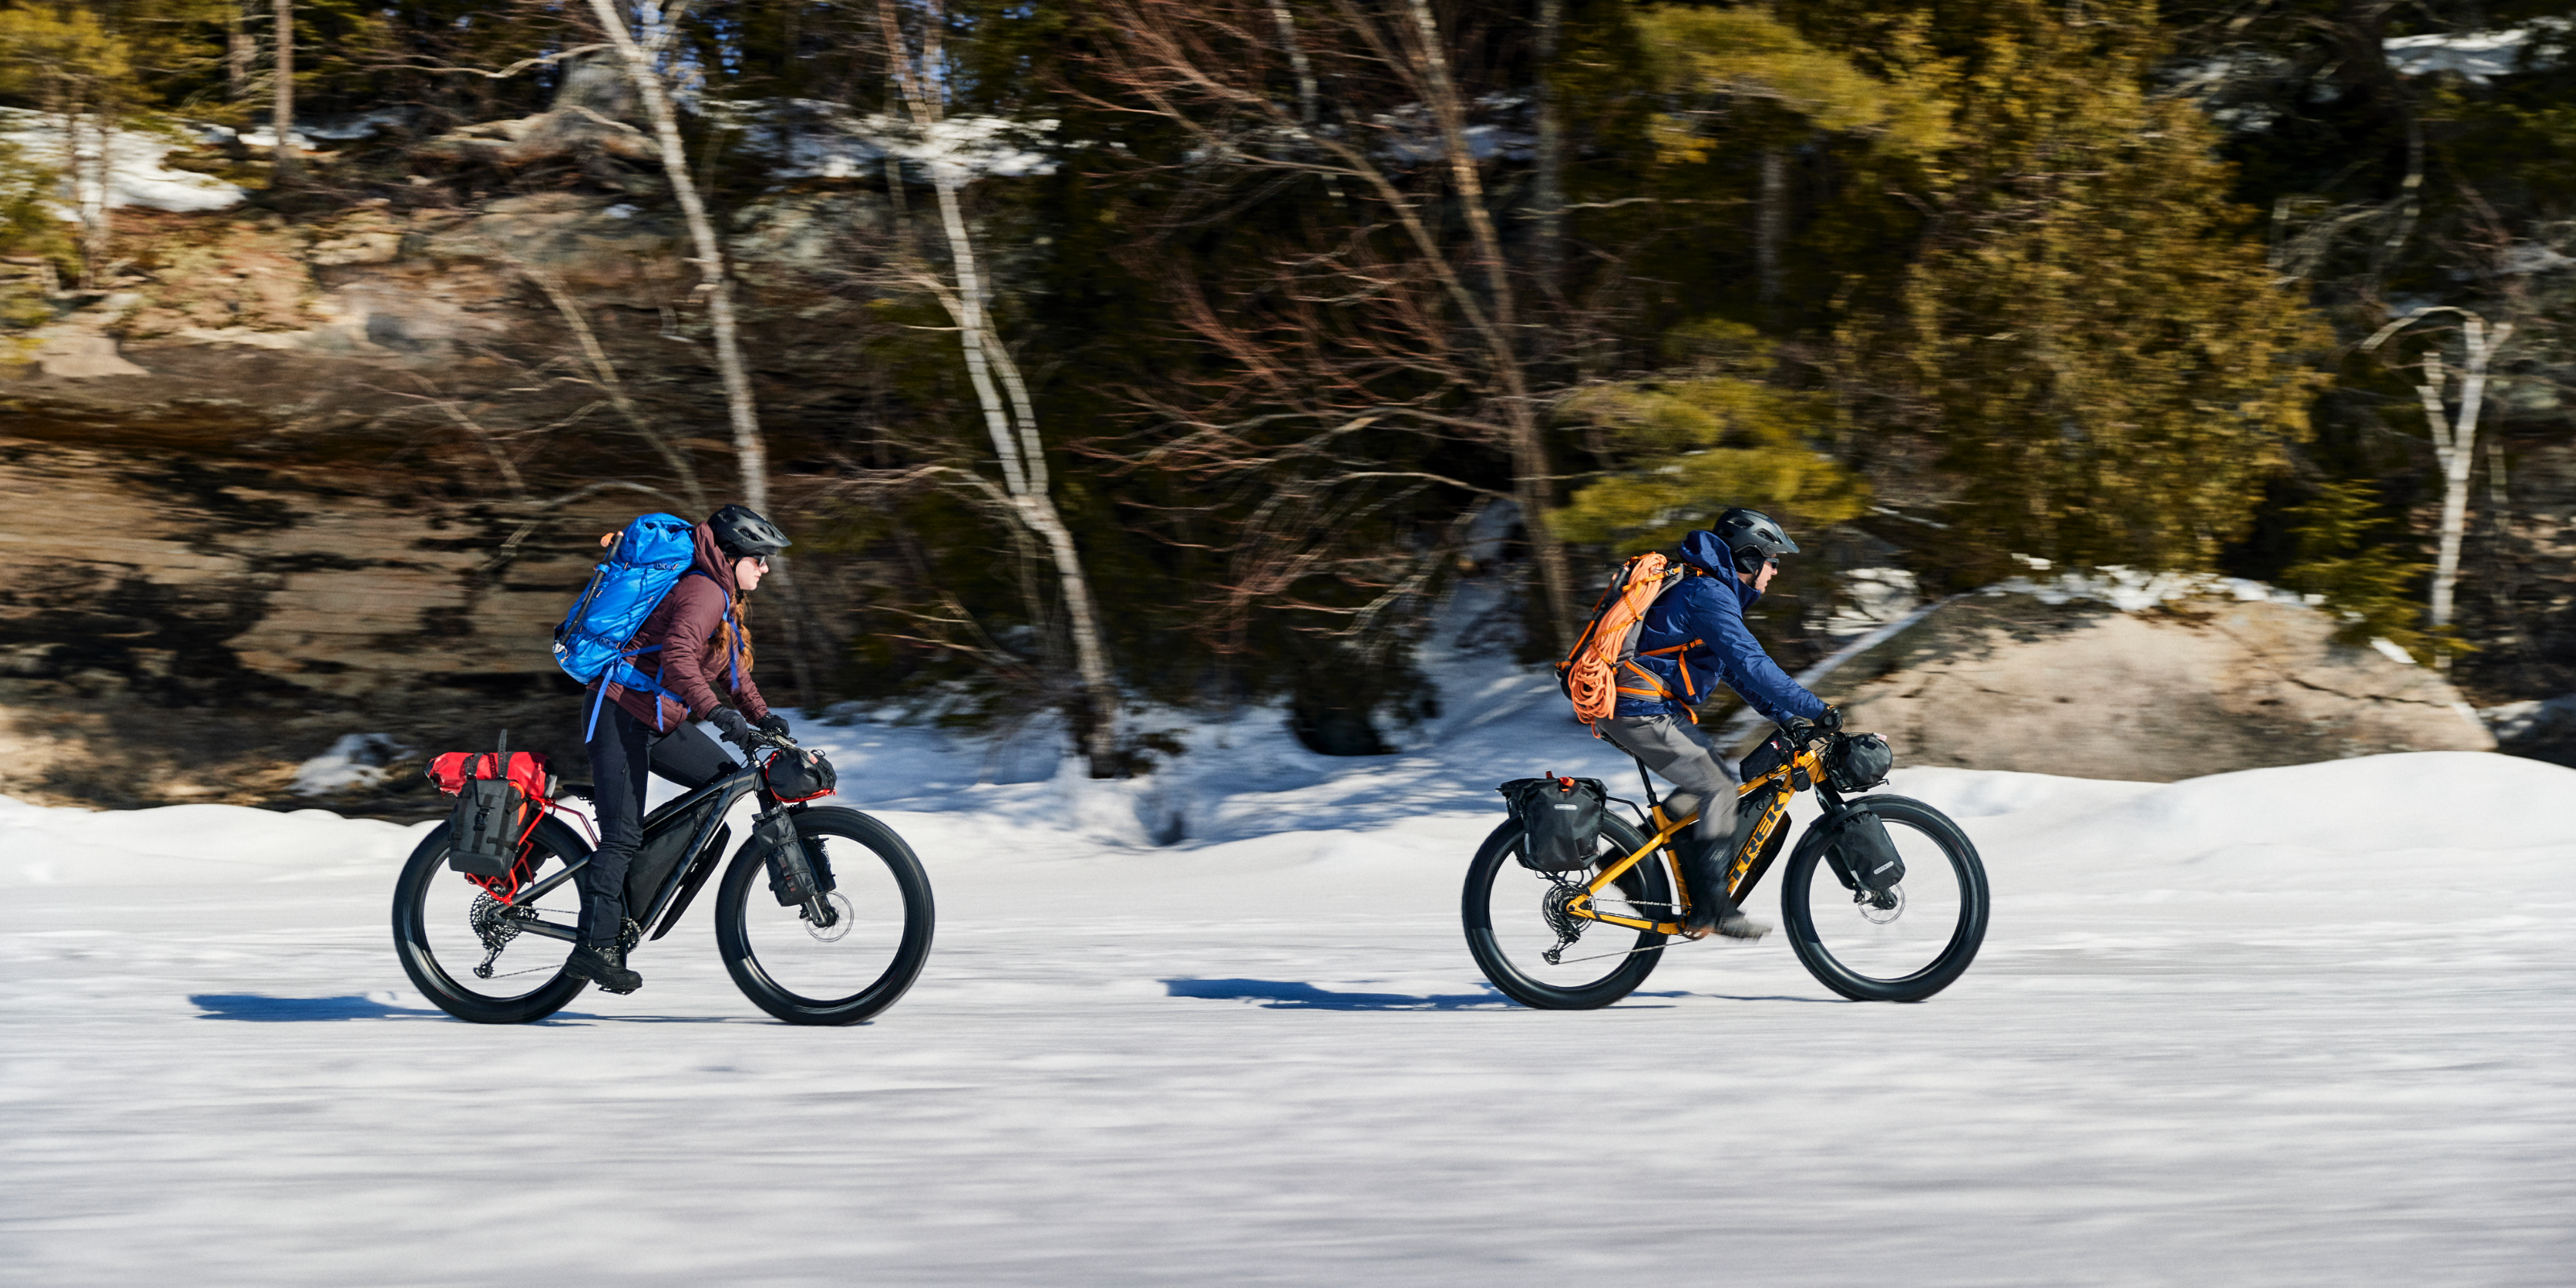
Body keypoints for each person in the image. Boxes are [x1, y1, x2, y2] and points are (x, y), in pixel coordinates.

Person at [563, 504, 795, 994]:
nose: (766, 567)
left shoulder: (721, 594)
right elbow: (678, 658)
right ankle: (595, 944)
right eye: (759, 558)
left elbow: (733, 670)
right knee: (621, 835)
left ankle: (639, 882)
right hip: (620, 713)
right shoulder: (704, 591)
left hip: (657, 719)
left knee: (723, 782)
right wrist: (716, 714)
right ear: (732, 557)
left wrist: (763, 717)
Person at [1596, 507, 1840, 941]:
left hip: (1645, 708)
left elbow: (1734, 672)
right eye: (1772, 560)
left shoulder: (1708, 591)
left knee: (1708, 784)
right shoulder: (1707, 593)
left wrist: (1788, 718)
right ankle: (1712, 908)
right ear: (1748, 558)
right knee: (1719, 789)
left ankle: (1625, 865)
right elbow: (1752, 664)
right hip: (1638, 709)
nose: (1776, 571)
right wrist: (1815, 708)